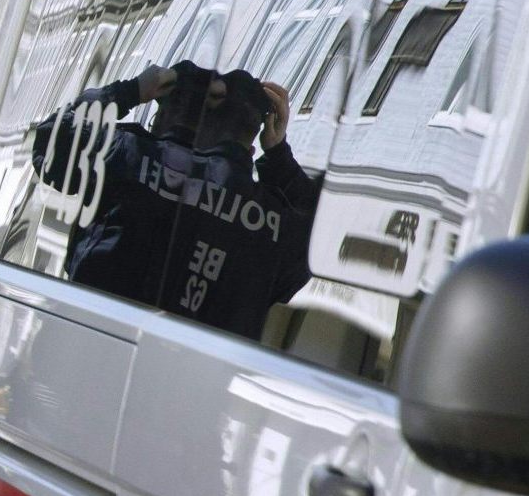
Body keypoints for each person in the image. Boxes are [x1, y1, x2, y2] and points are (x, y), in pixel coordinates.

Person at [30, 60, 319, 341]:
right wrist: (279, 156)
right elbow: (313, 249)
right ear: (252, 145)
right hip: (190, 372)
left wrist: (131, 91)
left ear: (162, 118)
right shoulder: (273, 221)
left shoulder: (123, 155)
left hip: (80, 352)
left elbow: (50, 140)